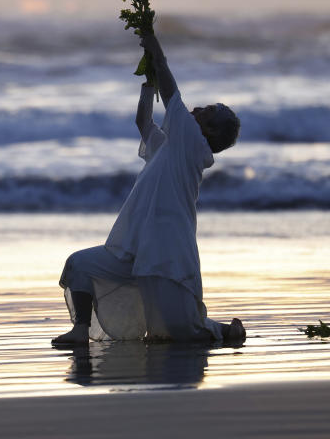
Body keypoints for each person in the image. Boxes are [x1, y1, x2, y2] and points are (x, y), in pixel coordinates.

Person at [52, 32, 245, 346]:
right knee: (79, 264)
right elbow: (144, 122)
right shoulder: (171, 146)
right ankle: (80, 330)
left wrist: (156, 49)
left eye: (207, 112)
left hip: (166, 252)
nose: (198, 109)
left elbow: (173, 97)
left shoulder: (194, 145)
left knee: (183, 331)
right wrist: (149, 81)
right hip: (134, 245)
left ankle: (224, 331)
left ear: (208, 131)